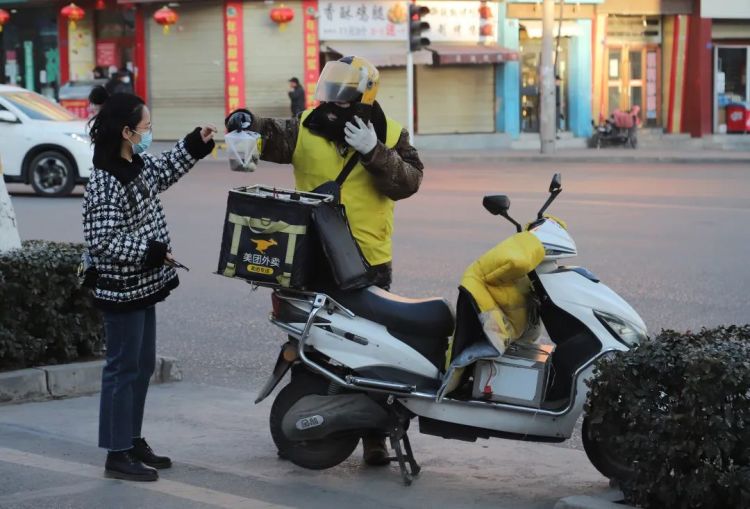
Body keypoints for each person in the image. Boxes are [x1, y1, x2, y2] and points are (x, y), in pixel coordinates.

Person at [225, 56, 423, 465]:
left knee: (372, 352)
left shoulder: (390, 133)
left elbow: (409, 182)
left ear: (364, 97)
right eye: (331, 94)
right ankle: (301, 429)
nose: (334, 103)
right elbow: (269, 133)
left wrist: (374, 152)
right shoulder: (306, 126)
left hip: (367, 260)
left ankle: (373, 438)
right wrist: (245, 120)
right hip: (311, 257)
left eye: (344, 96)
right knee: (308, 344)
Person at [83, 86, 216, 482]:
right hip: (121, 288)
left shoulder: (136, 164)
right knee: (122, 369)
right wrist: (152, 251)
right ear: (127, 132)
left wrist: (194, 144)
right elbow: (102, 240)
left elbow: (164, 170)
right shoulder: (105, 179)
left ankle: (131, 439)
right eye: (145, 127)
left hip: (142, 285)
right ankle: (116, 453)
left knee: (140, 367)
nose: (148, 133)